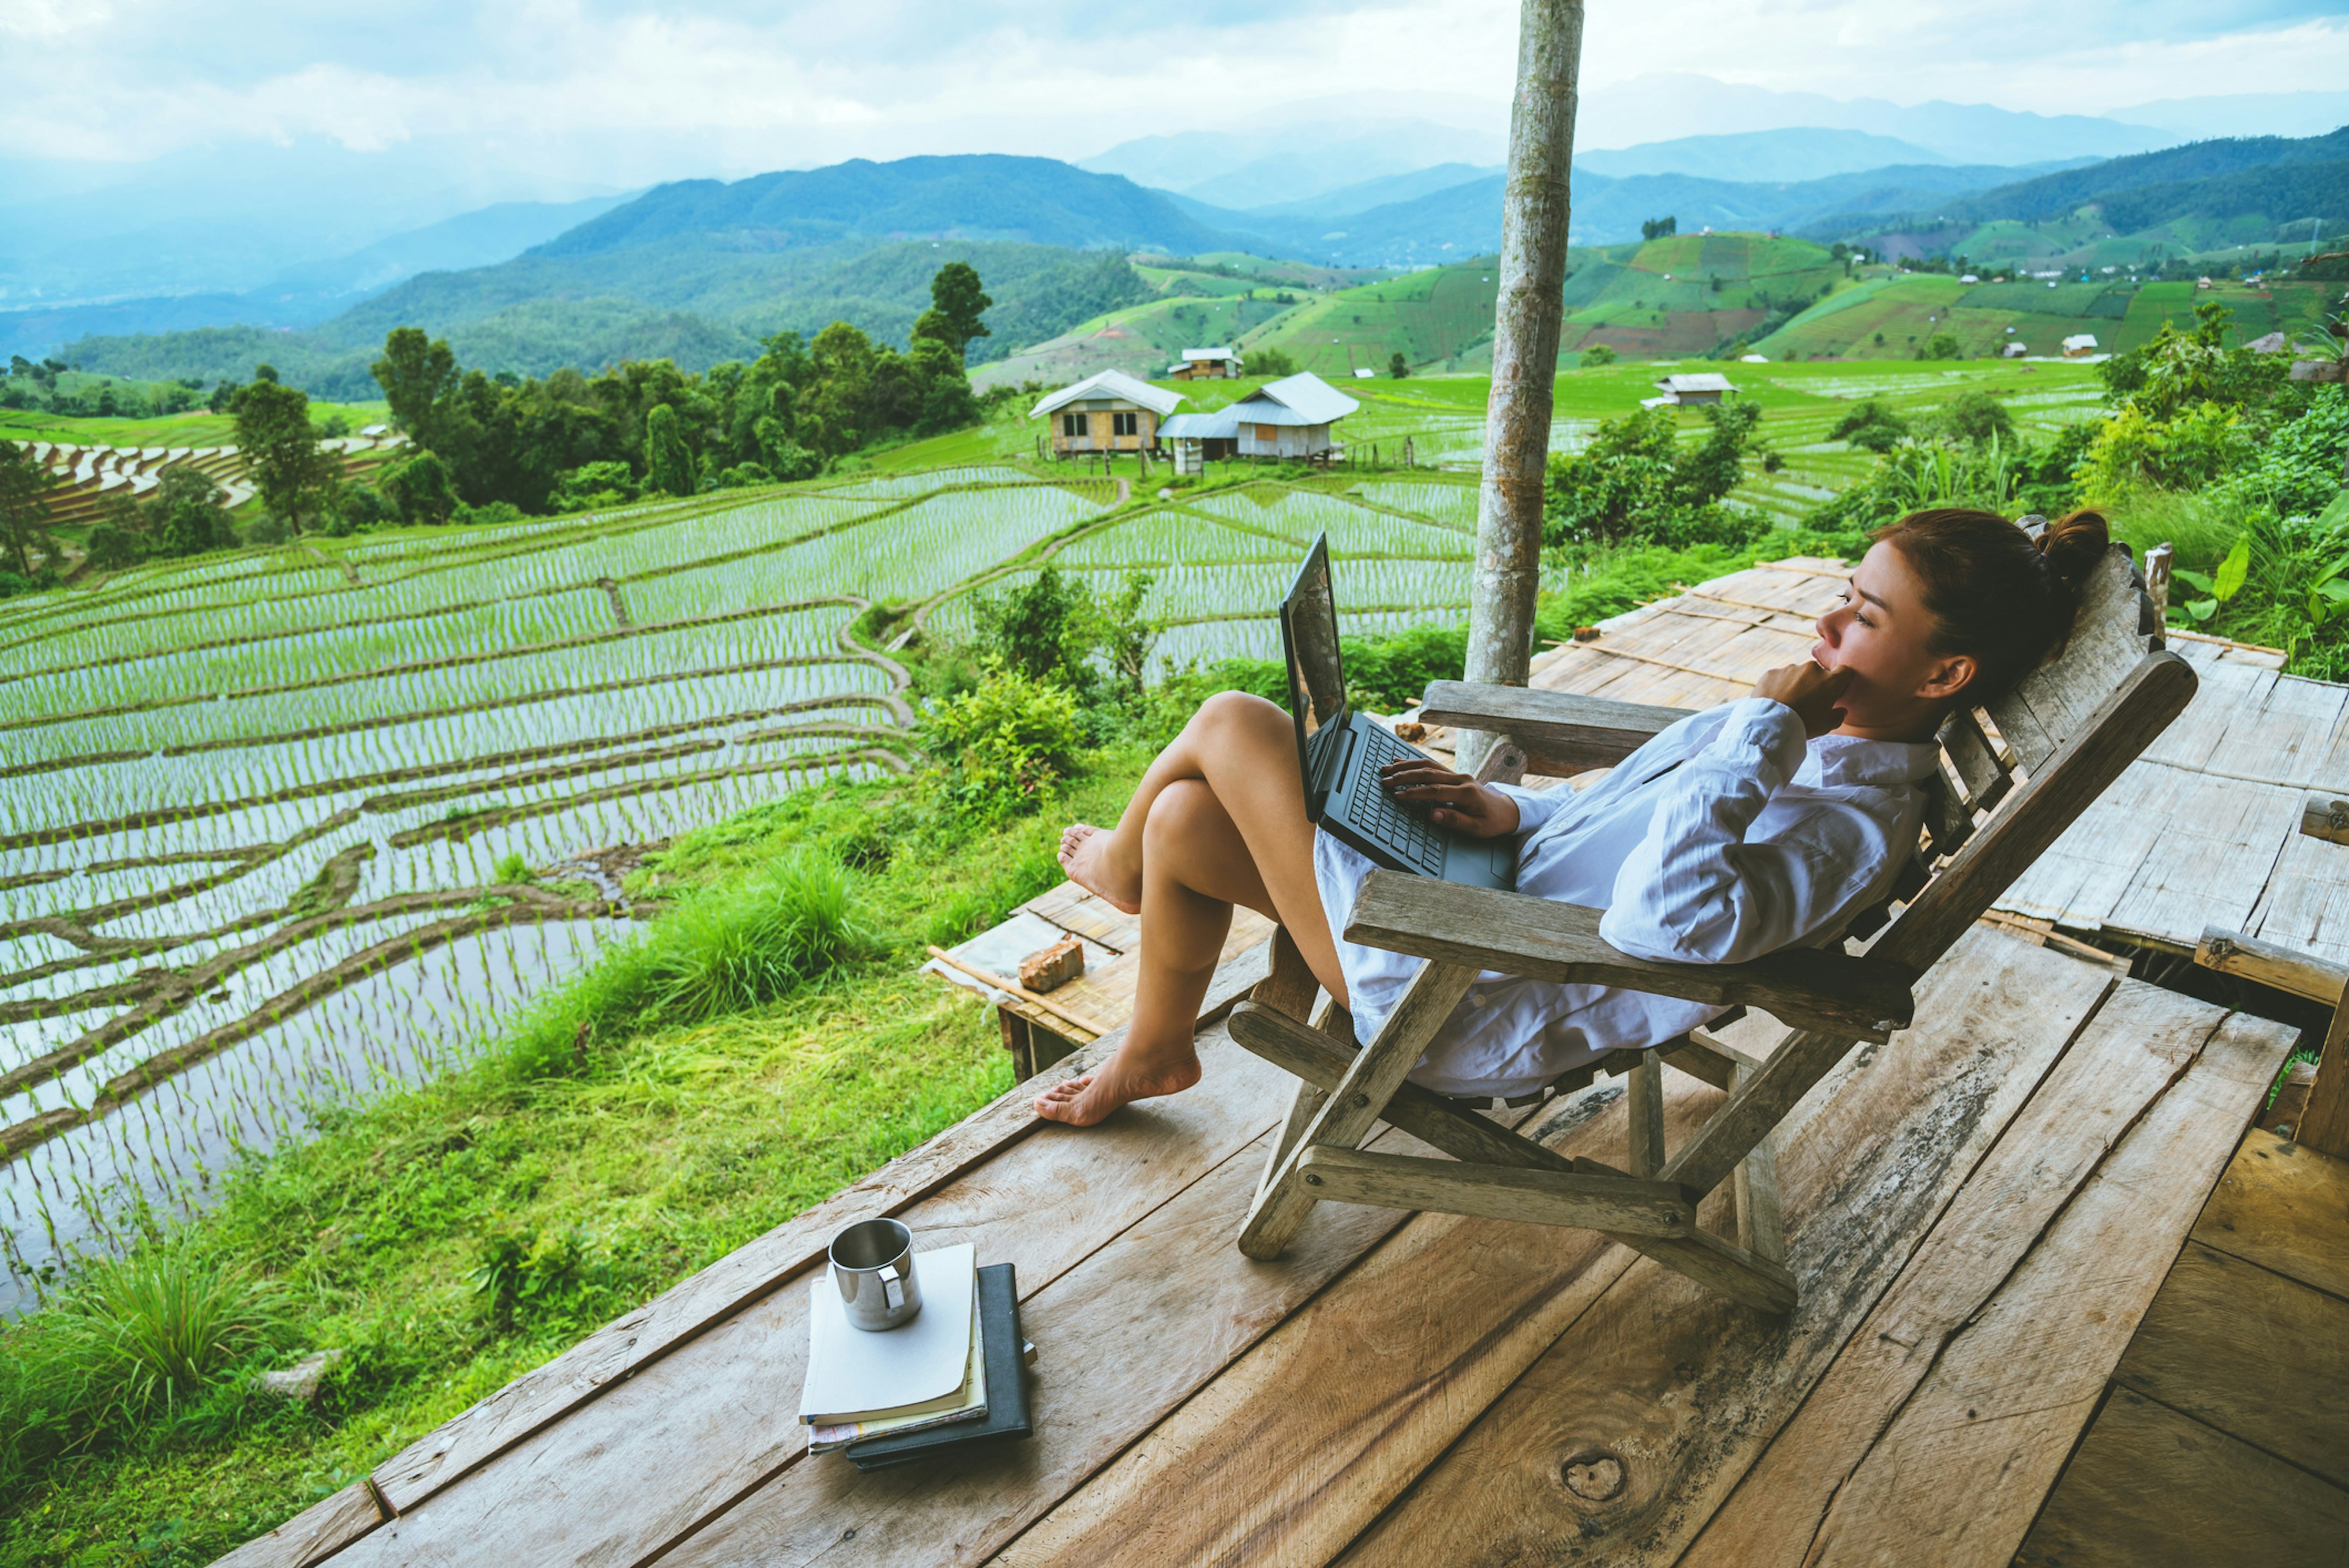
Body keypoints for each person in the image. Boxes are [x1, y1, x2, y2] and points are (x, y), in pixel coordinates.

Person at [1036, 508, 2111, 1126]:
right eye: (1844, 591)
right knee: (1188, 818)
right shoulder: (1805, 742)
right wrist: (1506, 810)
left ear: (1946, 674)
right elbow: (1619, 825)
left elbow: (1663, 928)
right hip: (1478, 908)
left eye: (1865, 617)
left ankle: (1124, 883)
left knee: (1236, 723)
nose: (1826, 621)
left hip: (1457, 990)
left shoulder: (1849, 827)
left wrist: (1764, 732)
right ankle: (1161, 1045)